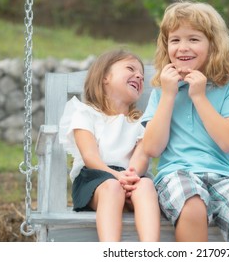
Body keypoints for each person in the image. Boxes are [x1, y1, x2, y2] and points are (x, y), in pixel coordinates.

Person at [141, 0, 229, 242]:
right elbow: (152, 148)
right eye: (175, 40)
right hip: (176, 174)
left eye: (194, 39)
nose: (183, 47)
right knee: (192, 204)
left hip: (223, 176)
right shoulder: (161, 91)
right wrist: (168, 94)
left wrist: (198, 96)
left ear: (213, 45)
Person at [59, 49, 160, 242]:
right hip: (95, 179)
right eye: (130, 68)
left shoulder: (139, 124)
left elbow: (142, 157)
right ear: (105, 77)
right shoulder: (85, 113)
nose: (139, 75)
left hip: (129, 177)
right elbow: (90, 157)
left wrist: (131, 176)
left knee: (146, 184)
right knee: (113, 187)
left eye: (141, 75)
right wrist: (117, 177)